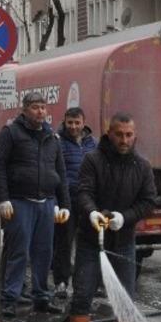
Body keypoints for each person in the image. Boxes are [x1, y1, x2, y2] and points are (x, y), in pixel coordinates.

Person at [56, 112, 157, 322]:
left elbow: (148, 201)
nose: (124, 140)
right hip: (91, 241)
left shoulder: (142, 166)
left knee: (125, 297)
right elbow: (83, 192)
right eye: (119, 134)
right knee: (83, 293)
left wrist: (125, 218)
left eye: (129, 135)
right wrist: (92, 213)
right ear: (109, 134)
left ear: (135, 135)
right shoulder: (93, 160)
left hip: (123, 241)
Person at [0, 91, 71, 319]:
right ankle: (10, 299)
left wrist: (64, 204)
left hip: (46, 203)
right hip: (20, 202)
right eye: (35, 107)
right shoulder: (11, 133)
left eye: (43, 107)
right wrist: (3, 199)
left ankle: (41, 298)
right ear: (24, 110)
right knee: (18, 252)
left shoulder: (52, 137)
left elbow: (61, 173)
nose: (40, 112)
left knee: (44, 253)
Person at [55, 106, 96, 299]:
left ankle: (86, 283)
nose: (73, 126)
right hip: (67, 200)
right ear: (64, 122)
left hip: (88, 201)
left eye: (77, 123)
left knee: (88, 243)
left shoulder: (92, 143)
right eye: (69, 123)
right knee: (64, 242)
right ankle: (61, 282)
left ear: (83, 123)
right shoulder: (58, 143)